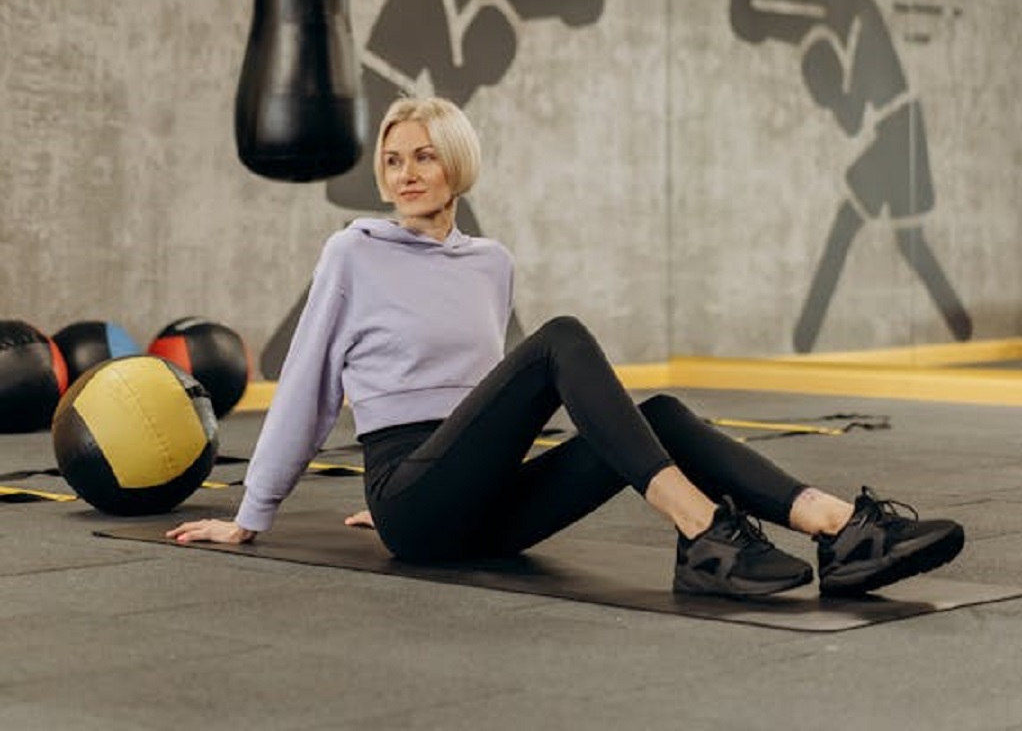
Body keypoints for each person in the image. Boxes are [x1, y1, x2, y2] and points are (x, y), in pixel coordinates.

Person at [168, 96, 965, 598]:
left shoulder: (491, 263)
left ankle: (838, 530)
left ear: (457, 164)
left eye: (423, 154)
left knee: (664, 412)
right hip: (414, 500)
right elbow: (307, 385)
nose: (405, 173)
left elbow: (480, 399)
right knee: (561, 342)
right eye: (393, 159)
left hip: (479, 498)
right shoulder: (354, 252)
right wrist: (251, 514)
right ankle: (700, 530)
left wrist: (453, 468)